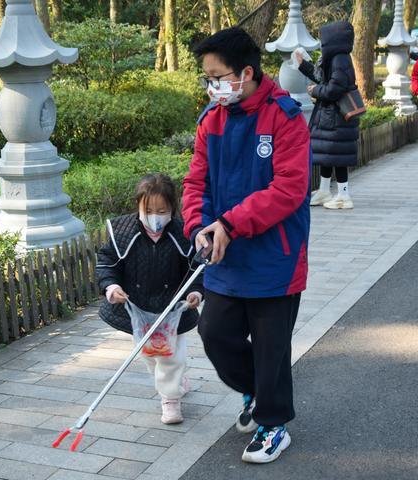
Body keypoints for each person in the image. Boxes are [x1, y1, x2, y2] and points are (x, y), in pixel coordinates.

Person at [182, 27, 311, 464]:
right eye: (208, 78)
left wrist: (230, 224)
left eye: (217, 77)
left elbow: (290, 189)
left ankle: (273, 424)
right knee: (214, 332)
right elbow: (196, 181)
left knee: (272, 345)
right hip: (224, 254)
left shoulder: (285, 117)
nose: (212, 86)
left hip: (276, 256)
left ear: (247, 73)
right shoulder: (211, 120)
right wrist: (199, 226)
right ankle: (255, 391)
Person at [96, 173, 203, 425]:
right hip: (139, 307)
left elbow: (196, 268)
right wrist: (111, 287)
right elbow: (107, 264)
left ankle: (170, 398)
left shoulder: (182, 233)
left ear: (172, 209)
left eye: (162, 210)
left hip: (172, 308)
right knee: (150, 354)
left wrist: (196, 292)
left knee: (171, 355)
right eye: (149, 210)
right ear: (139, 206)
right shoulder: (122, 232)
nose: (155, 216)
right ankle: (174, 382)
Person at [296, 20, 359, 210]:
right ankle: (324, 190)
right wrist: (303, 65)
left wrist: (315, 91)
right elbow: (322, 77)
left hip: (337, 117)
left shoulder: (340, 58)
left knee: (337, 156)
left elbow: (335, 89)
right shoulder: (333, 57)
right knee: (327, 154)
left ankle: (343, 195)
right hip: (330, 116)